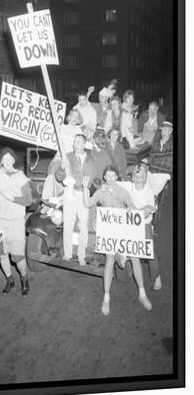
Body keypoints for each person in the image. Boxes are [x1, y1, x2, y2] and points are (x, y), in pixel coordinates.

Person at [0, 115, 32, 296]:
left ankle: (24, 278)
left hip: (15, 222)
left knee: (17, 256)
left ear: (14, 160)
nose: (6, 160)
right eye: (3, 158)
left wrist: (11, 197)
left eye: (9, 158)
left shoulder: (21, 177)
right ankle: (9, 279)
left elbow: (28, 200)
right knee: (1, 253)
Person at [83, 165, 139, 316]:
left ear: (117, 177)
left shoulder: (123, 191)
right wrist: (84, 188)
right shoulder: (101, 191)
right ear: (105, 177)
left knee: (111, 258)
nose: (110, 178)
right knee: (109, 260)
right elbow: (88, 204)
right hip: (108, 229)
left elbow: (133, 207)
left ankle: (120, 255)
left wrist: (129, 210)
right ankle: (106, 296)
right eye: (107, 176)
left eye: (113, 175)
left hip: (121, 229)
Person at [118, 163, 161, 291]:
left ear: (146, 177)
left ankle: (157, 276)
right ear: (132, 178)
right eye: (136, 174)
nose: (138, 176)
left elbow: (149, 209)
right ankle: (124, 256)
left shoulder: (148, 191)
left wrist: (135, 211)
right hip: (127, 223)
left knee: (149, 251)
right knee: (117, 242)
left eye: (141, 173)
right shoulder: (128, 186)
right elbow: (114, 184)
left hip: (143, 224)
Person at [55, 134, 95, 266]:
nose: (75, 144)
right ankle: (67, 254)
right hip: (69, 194)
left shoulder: (90, 158)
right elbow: (59, 177)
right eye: (74, 141)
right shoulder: (67, 157)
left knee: (83, 226)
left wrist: (87, 183)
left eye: (78, 142)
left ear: (84, 144)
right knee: (68, 224)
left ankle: (81, 256)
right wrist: (61, 168)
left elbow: (92, 175)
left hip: (83, 194)